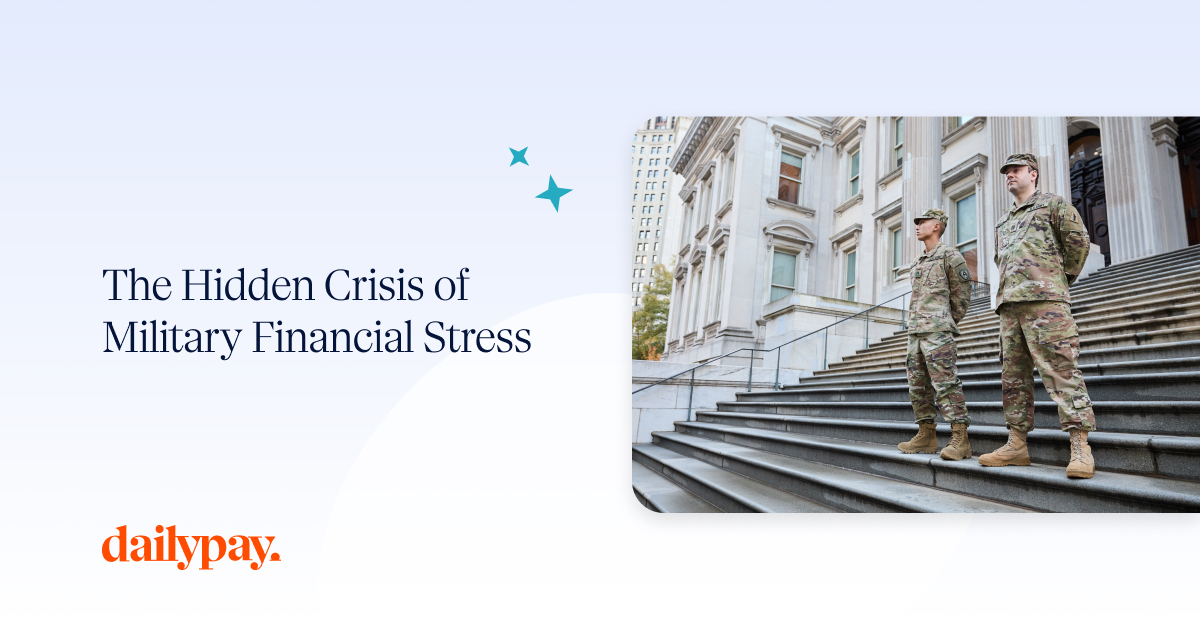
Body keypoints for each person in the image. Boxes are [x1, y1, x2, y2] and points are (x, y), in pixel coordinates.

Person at [980, 153, 1096, 478]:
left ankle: (1080, 446)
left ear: (1033, 173)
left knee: (1061, 369)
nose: (1009, 176)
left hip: (1046, 304)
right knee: (1013, 379)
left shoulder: (1054, 205)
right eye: (1007, 172)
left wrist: (1057, 282)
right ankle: (1016, 444)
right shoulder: (1002, 221)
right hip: (1010, 308)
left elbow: (1079, 244)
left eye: (1015, 170)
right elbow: (999, 259)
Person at [897, 208, 974, 460]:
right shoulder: (919, 261)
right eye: (916, 222)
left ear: (937, 226)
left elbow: (961, 296)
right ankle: (926, 434)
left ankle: (960, 438)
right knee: (917, 385)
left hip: (938, 332)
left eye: (923, 222)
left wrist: (946, 321)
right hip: (915, 332)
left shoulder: (950, 256)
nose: (917, 226)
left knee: (946, 383)